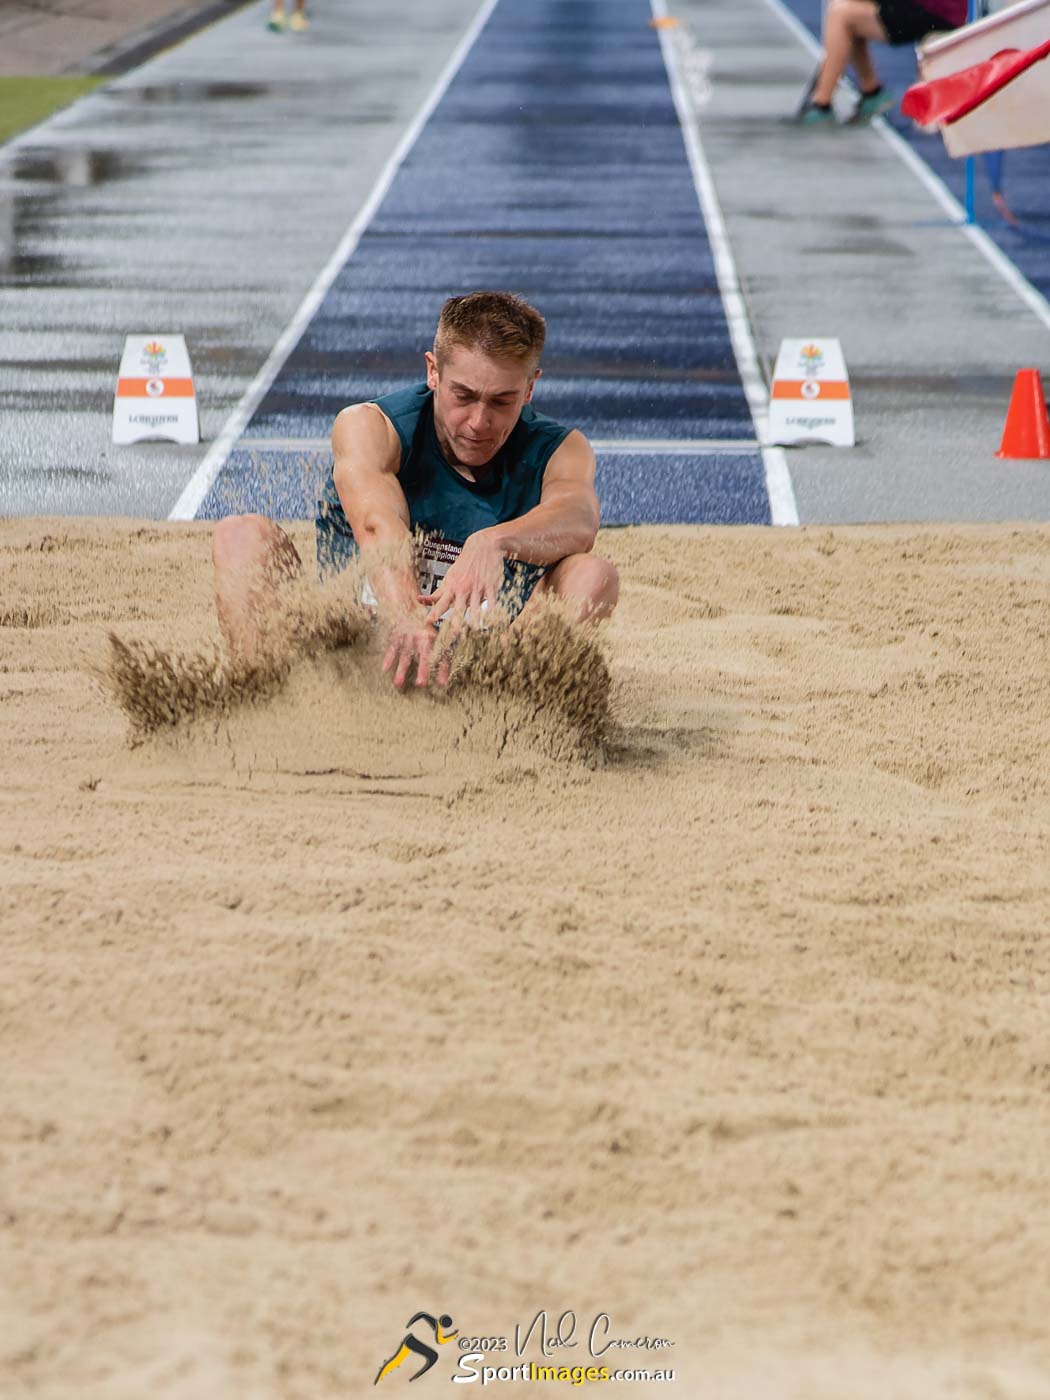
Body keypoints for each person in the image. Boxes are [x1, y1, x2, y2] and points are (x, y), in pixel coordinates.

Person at [212, 291, 620, 689]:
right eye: (464, 396)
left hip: (483, 667)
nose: (479, 422)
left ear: (530, 389)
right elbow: (378, 525)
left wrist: (493, 542)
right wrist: (405, 614)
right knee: (240, 535)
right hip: (352, 656)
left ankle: (519, 714)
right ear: (433, 371)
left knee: (594, 576)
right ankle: (264, 698)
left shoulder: (560, 450)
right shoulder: (370, 427)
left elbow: (579, 518)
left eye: (501, 402)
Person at [798, 0, 968, 125]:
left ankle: (822, 104)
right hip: (928, 7)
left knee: (841, 14)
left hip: (938, 12)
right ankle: (870, 92)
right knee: (844, 7)